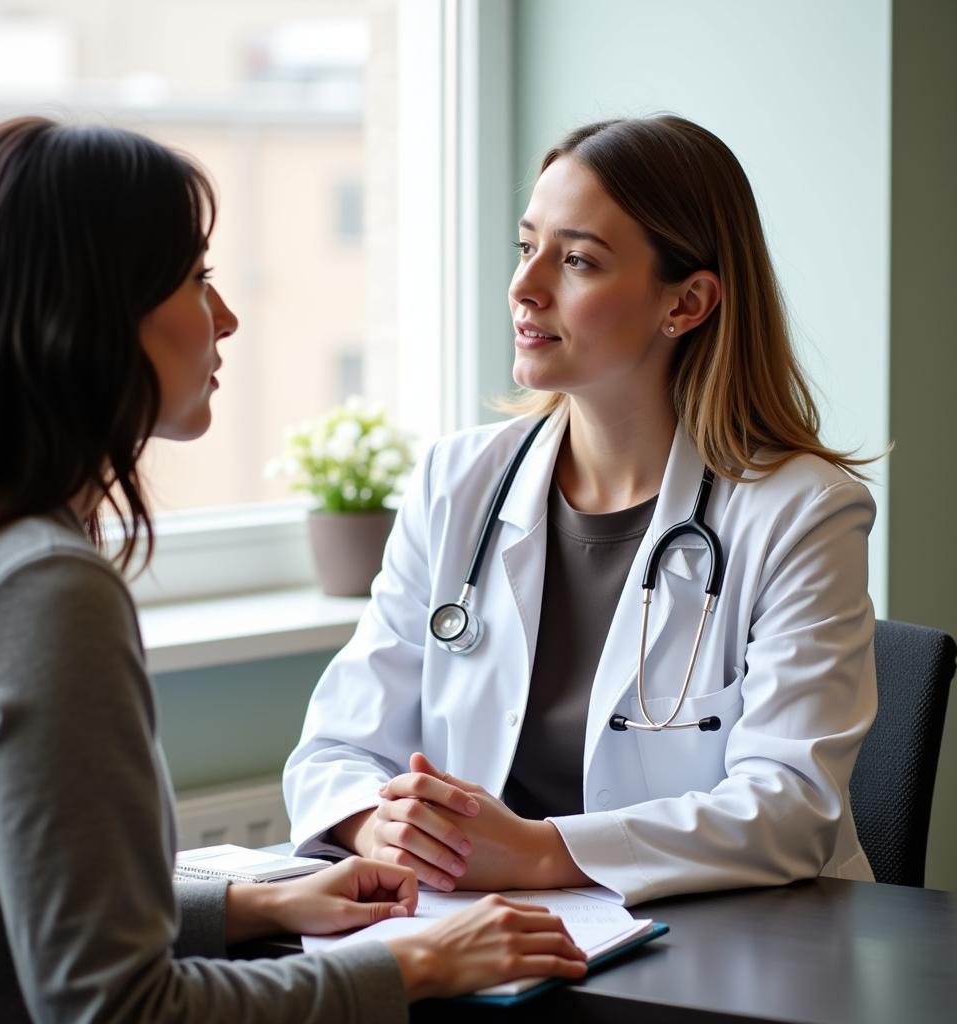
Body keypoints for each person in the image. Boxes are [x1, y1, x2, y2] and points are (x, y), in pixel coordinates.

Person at [0, 117, 587, 1023]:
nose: (227, 317)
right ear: (86, 316)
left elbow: (18, 907)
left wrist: (253, 902)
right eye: (197, 279)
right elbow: (116, 1007)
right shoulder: (40, 592)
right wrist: (416, 966)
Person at [284, 115, 879, 904]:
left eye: (576, 260)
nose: (525, 288)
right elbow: (337, 747)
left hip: (738, 946)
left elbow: (790, 807)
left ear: (689, 302)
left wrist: (538, 853)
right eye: (526, 247)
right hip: (488, 931)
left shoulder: (801, 513)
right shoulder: (457, 481)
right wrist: (376, 824)